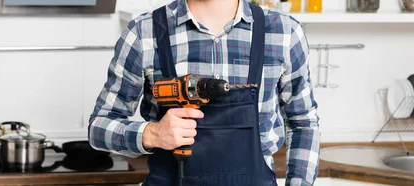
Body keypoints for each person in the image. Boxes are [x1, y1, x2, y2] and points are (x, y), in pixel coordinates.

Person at [88, 0, 320, 185]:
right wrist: (152, 134)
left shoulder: (284, 33)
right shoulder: (144, 33)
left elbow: (304, 123)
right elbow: (98, 127)